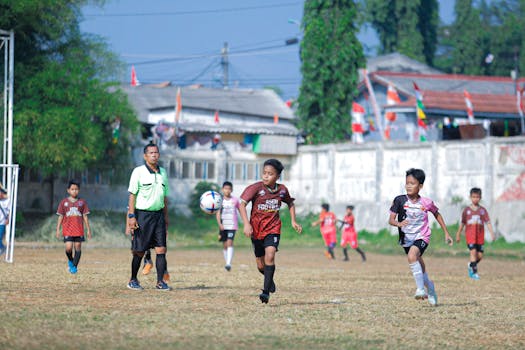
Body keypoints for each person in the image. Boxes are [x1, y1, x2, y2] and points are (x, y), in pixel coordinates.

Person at [239, 158, 302, 304]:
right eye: (264, 173)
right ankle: (269, 280)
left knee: (270, 255)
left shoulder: (282, 190)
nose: (266, 176)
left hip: (273, 228)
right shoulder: (255, 188)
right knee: (261, 265)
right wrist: (246, 224)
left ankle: (265, 292)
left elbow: (290, 203)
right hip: (256, 230)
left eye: (270, 174)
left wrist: (293, 221)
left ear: (277, 176)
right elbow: (242, 204)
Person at [388, 168, 453, 307]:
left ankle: (420, 290)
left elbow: (437, 214)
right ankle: (430, 287)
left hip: (422, 236)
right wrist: (399, 223)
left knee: (412, 256)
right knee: (419, 266)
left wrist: (446, 232)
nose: (409, 186)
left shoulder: (426, 202)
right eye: (407, 183)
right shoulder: (399, 200)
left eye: (412, 183)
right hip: (406, 238)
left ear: (420, 186)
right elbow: (391, 220)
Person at [126, 143, 171, 291]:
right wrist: (131, 217)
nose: (154, 155)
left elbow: (165, 198)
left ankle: (160, 282)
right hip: (142, 215)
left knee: (161, 249)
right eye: (151, 153)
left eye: (156, 152)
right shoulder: (138, 172)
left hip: (158, 216)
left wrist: (166, 217)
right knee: (139, 250)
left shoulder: (163, 172)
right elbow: (132, 195)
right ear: (145, 156)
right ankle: (133, 279)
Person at [455, 187, 495, 280]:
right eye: (473, 197)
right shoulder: (466, 211)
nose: (475, 199)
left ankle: (471, 265)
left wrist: (492, 233)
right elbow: (462, 223)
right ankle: (474, 273)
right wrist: (458, 234)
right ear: (470, 197)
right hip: (470, 236)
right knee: (473, 252)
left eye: (477, 197)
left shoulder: (483, 210)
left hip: (479, 237)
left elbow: (488, 222)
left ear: (480, 198)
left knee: (480, 256)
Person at [55, 180, 92, 274]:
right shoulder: (64, 202)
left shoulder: (82, 202)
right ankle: (71, 260)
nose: (74, 191)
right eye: (72, 189)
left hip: (79, 230)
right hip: (67, 229)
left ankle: (74, 267)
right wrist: (57, 229)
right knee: (68, 247)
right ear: (68, 190)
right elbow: (61, 216)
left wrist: (88, 229)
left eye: (76, 189)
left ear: (78, 190)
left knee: (78, 246)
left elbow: (85, 216)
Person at [215, 181, 240, 271]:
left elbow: (241, 209)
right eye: (225, 188)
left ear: (232, 190)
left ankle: (228, 263)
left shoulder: (235, 200)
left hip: (232, 226)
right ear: (222, 190)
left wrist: (245, 221)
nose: (227, 190)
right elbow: (218, 213)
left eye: (229, 189)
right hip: (223, 226)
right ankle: (227, 263)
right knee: (225, 245)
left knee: (230, 243)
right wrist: (220, 224)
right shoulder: (220, 201)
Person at [0, 186, 10, 257]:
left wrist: (8, 219)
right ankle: (3, 248)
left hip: (2, 222)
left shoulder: (7, 201)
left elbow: (9, 211)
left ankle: (3, 248)